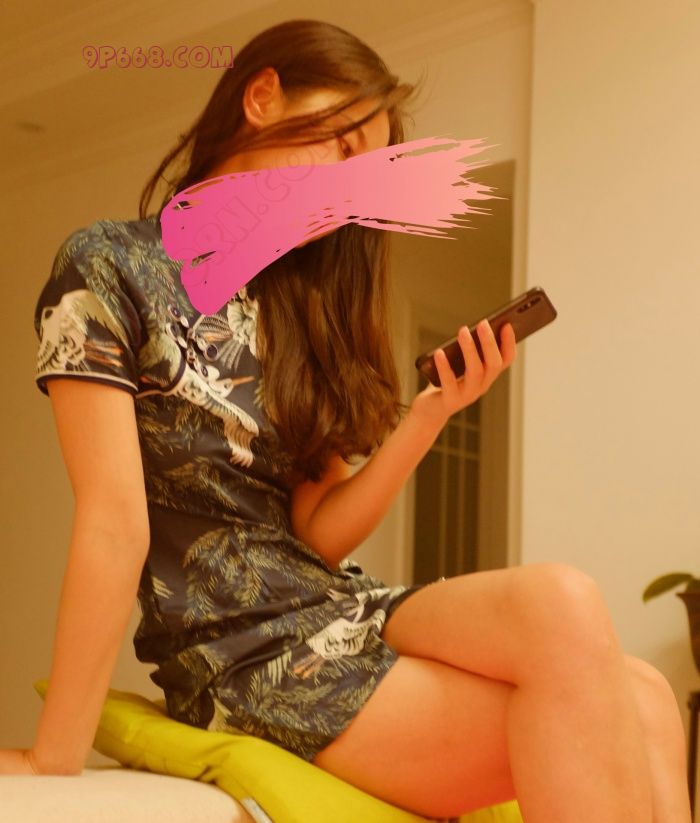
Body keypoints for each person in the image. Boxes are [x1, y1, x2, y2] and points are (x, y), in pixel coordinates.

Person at [2, 18, 691, 823]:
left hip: (336, 608)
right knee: (614, 677)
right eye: (343, 146)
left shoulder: (300, 309)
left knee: (630, 674)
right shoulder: (108, 267)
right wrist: (54, 755)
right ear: (262, 97)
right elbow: (115, 525)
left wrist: (431, 414)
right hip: (240, 651)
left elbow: (317, 535)